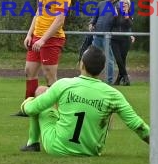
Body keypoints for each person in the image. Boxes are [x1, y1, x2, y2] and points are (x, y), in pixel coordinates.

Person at [19, 46, 150, 155]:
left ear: (81, 64)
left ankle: (32, 143)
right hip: (90, 151)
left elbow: (32, 109)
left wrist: (26, 103)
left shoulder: (63, 84)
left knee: (39, 95)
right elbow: (137, 124)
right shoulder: (113, 94)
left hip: (56, 147)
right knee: (108, 112)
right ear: (102, 69)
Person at [13, 0, 73, 116]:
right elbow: (38, 13)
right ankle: (28, 108)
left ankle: (58, 110)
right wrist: (30, 34)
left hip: (52, 39)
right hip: (37, 37)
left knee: (49, 76)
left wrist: (43, 39)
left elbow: (59, 20)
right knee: (29, 71)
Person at [89, 0, 118, 84]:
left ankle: (109, 81)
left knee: (109, 59)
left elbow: (120, 22)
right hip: (97, 35)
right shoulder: (101, 4)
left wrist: (117, 16)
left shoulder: (118, 6)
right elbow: (95, 17)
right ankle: (91, 78)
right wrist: (91, 24)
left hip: (108, 37)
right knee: (92, 56)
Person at [111, 0, 134, 86]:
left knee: (122, 60)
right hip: (115, 39)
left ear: (128, 5)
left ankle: (118, 79)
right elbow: (111, 24)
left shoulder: (129, 13)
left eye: (126, 3)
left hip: (125, 40)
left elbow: (130, 25)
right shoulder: (116, 11)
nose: (124, 4)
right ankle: (126, 77)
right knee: (118, 59)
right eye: (122, 3)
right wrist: (115, 16)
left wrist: (127, 17)